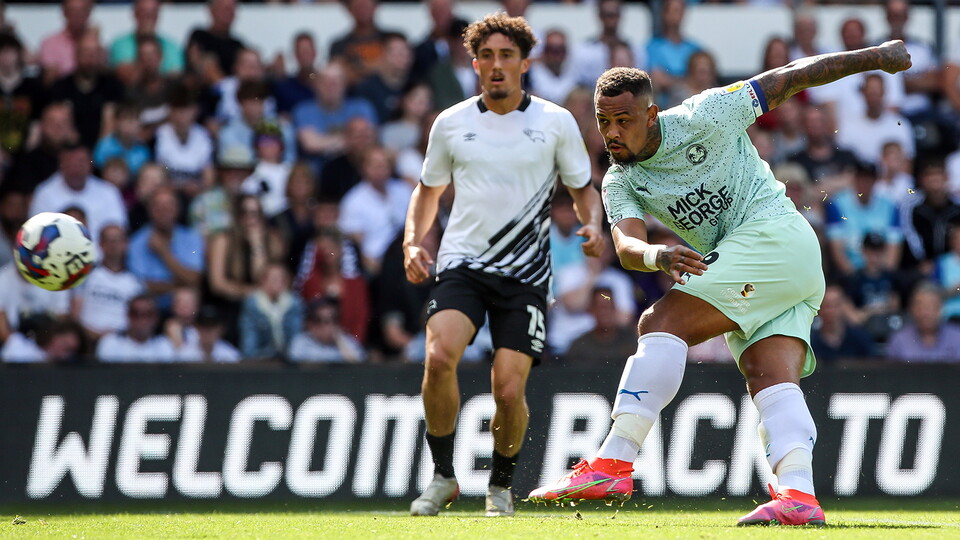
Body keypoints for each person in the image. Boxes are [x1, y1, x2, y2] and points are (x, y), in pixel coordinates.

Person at [527, 39, 912, 527]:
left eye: (624, 120)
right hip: (771, 265)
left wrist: (874, 57)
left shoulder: (707, 113)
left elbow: (792, 75)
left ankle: (613, 460)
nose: (612, 133)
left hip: (774, 236)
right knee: (766, 372)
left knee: (660, 321)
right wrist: (657, 254)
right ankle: (799, 495)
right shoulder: (619, 180)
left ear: (653, 113)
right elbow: (626, 248)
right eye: (604, 123)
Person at [403, 14, 603, 517]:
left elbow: (582, 187)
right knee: (439, 354)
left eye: (506, 56)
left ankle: (500, 485)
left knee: (508, 389)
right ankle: (444, 476)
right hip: (462, 263)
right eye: (487, 56)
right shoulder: (450, 123)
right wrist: (412, 242)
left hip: (527, 274)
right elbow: (428, 191)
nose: (496, 65)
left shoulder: (555, 122)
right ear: (474, 65)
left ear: (524, 64)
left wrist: (593, 224)